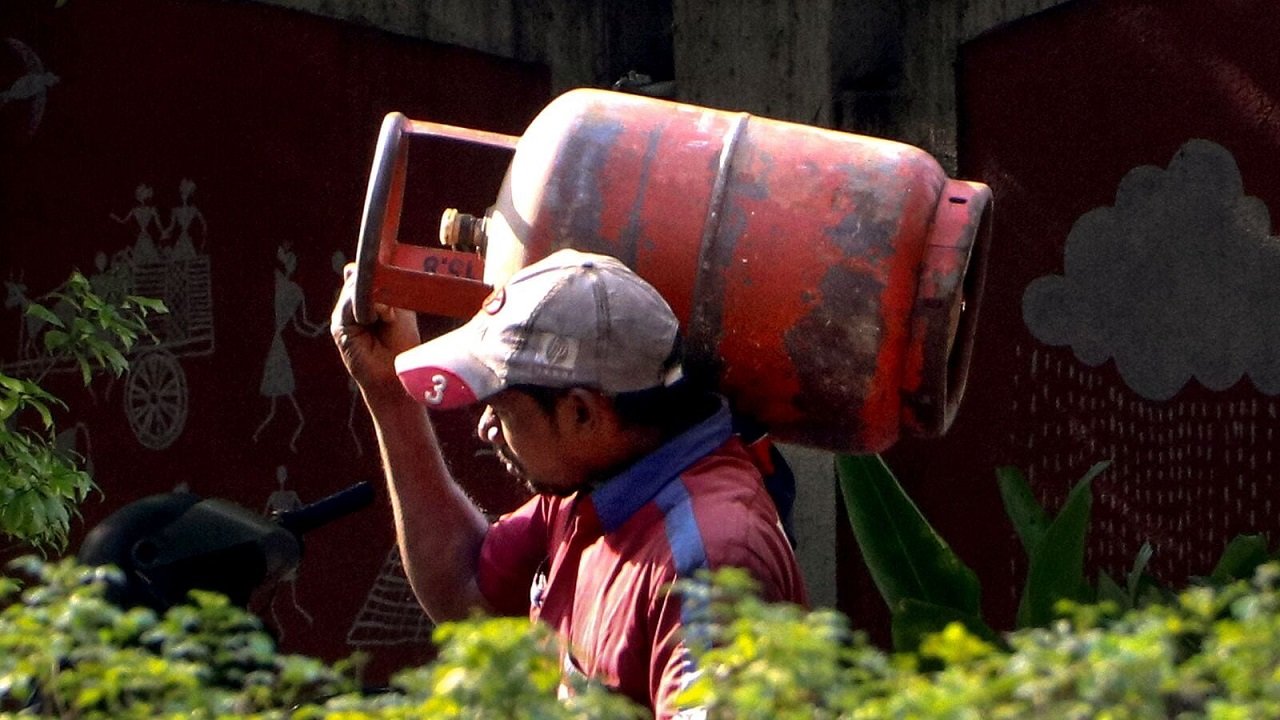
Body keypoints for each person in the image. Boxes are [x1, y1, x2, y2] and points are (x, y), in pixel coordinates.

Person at [331, 248, 807, 717]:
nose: (486, 428)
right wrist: (389, 395)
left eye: (502, 408)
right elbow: (465, 591)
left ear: (581, 412)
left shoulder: (711, 558)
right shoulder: (599, 485)